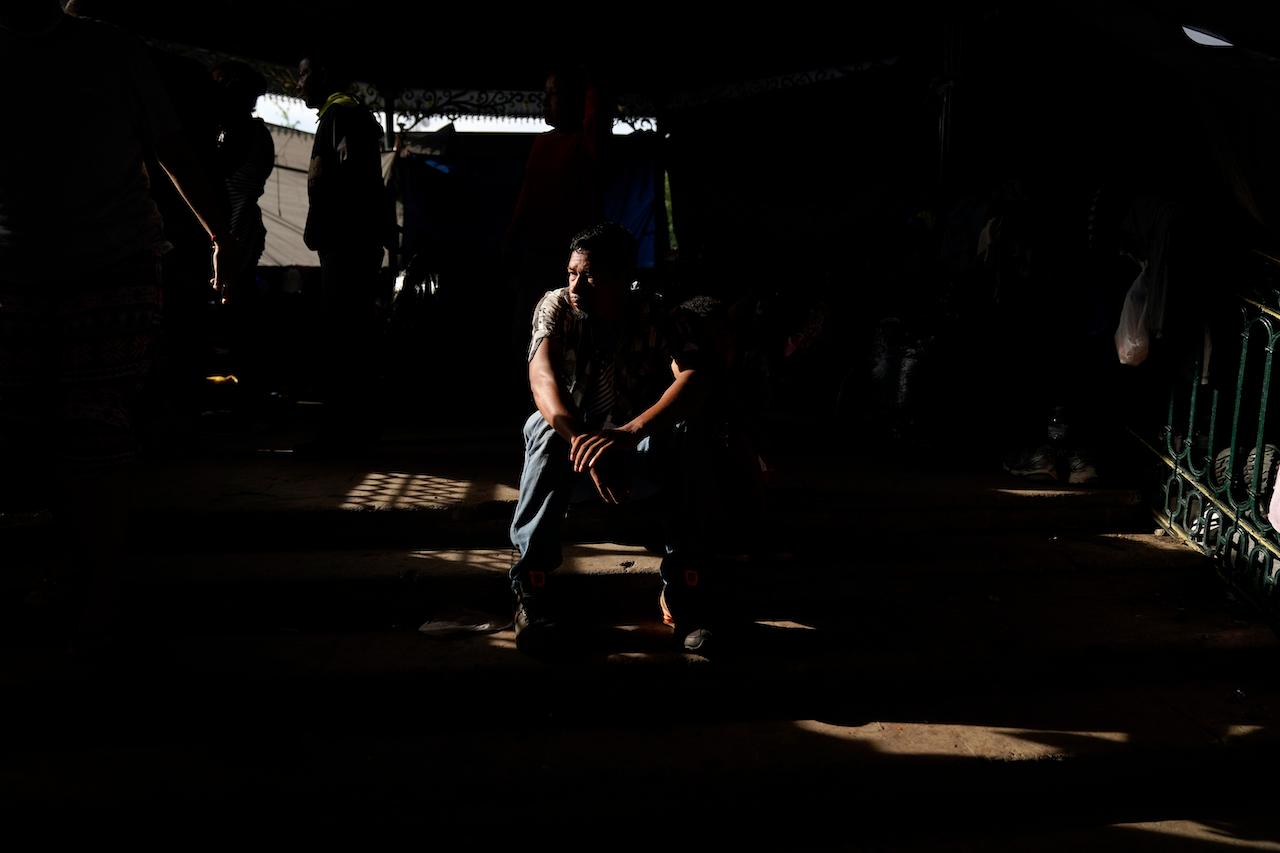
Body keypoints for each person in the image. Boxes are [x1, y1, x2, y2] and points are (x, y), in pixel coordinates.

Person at [0, 1, 239, 647]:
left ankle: (96, 592)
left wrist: (220, 234)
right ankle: (87, 580)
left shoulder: (113, 51)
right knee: (56, 432)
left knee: (89, 428)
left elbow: (171, 148)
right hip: (29, 271)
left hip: (110, 269)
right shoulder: (113, 51)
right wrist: (221, 235)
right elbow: (172, 148)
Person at [508, 222, 717, 655]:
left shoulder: (655, 313)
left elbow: (694, 377)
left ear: (622, 278)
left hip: (632, 451)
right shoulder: (556, 308)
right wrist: (585, 441)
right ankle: (533, 589)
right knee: (544, 430)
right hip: (575, 452)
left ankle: (685, 588)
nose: (576, 285)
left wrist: (629, 433)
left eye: (589, 275)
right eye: (571, 273)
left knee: (687, 430)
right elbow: (541, 379)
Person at [296, 52, 394, 452]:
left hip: (345, 243)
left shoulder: (339, 114)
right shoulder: (355, 116)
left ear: (322, 74)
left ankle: (339, 434)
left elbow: (327, 179)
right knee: (355, 337)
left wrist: (317, 227)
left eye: (303, 74)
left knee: (342, 338)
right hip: (358, 242)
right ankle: (358, 431)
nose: (297, 83)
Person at [505, 68, 612, 391]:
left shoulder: (586, 143)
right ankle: (528, 388)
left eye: (553, 95)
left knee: (572, 323)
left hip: (571, 257)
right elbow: (526, 196)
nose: (546, 103)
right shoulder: (542, 144)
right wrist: (512, 238)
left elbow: (597, 109)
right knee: (530, 321)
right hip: (537, 252)